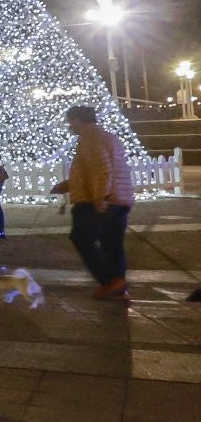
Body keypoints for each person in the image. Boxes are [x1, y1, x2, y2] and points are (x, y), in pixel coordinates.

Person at [51, 105, 134, 300]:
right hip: (120, 198)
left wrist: (101, 198)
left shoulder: (90, 138)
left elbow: (102, 169)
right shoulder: (108, 137)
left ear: (78, 120)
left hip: (97, 200)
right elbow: (95, 170)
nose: (69, 125)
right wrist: (68, 185)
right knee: (111, 243)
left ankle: (110, 281)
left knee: (81, 237)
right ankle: (118, 286)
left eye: (70, 120)